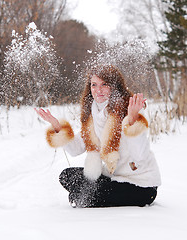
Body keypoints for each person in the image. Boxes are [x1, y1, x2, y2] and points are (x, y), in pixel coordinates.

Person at [35, 65, 161, 208]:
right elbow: (76, 149)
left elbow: (140, 156)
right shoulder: (93, 114)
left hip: (141, 185)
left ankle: (88, 197)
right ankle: (89, 195)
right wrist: (57, 126)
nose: (98, 90)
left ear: (114, 86)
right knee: (67, 175)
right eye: (94, 85)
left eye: (104, 84)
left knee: (85, 195)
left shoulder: (129, 110)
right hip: (114, 178)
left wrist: (132, 120)